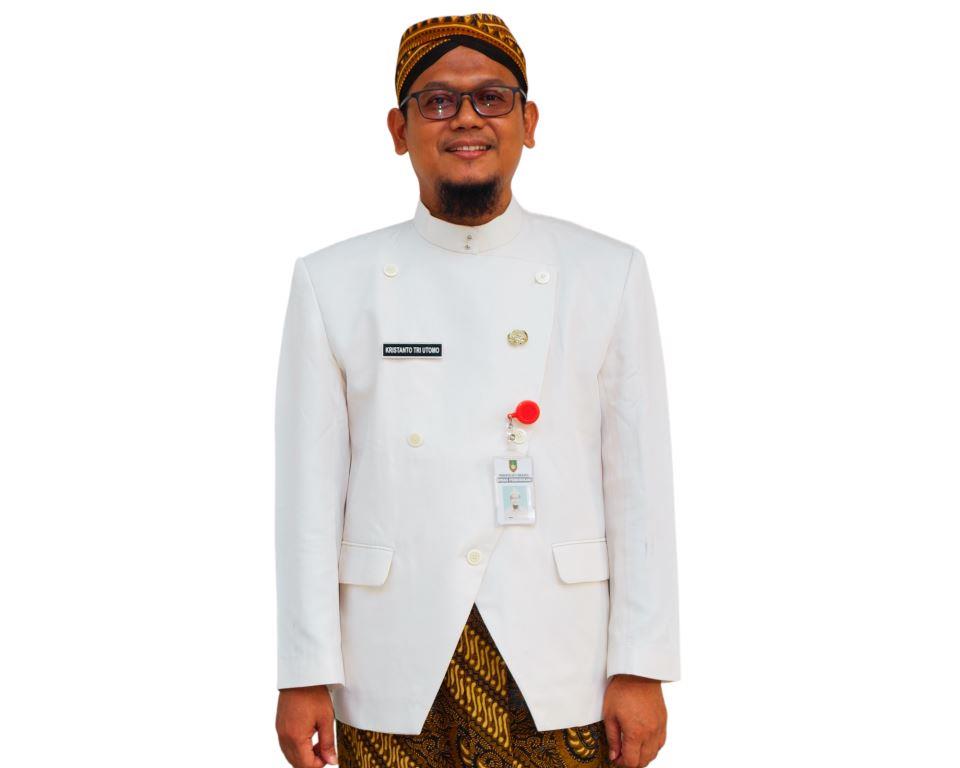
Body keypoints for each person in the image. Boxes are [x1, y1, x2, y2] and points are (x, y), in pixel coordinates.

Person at [274, 12, 680, 768]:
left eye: (491, 97)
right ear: (399, 130)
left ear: (529, 121)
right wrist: (303, 672)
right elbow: (307, 497)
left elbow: (640, 487)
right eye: (437, 101)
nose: (466, 118)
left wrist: (643, 663)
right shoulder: (333, 283)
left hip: (561, 657)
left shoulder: (608, 272)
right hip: (391, 659)